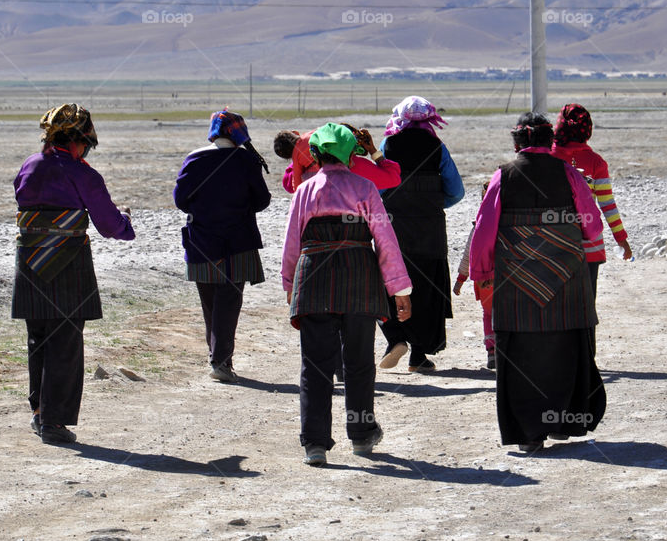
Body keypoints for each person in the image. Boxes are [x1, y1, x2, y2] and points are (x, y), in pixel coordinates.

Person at [470, 112, 606, 453]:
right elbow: (592, 226)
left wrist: (482, 274)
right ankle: (563, 424)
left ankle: (530, 434)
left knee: (521, 356)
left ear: (516, 143)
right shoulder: (569, 174)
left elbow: (485, 231)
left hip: (515, 283)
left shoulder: (503, 176)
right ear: (549, 141)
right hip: (566, 279)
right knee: (564, 349)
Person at [281, 123, 412, 466]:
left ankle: (315, 444)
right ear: (351, 154)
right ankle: (362, 436)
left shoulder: (304, 192)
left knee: (315, 365)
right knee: (358, 362)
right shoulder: (366, 188)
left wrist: (290, 287)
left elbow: (292, 246)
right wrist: (399, 289)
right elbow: (385, 241)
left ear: (317, 154)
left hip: (314, 280)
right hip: (359, 277)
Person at [12, 103, 135, 445]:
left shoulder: (29, 165)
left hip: (31, 261)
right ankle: (53, 421)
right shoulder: (82, 173)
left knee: (38, 337)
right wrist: (125, 221)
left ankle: (39, 412)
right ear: (80, 139)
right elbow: (110, 226)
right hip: (68, 262)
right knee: (65, 341)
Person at [174, 110, 271, 383]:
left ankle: (218, 357)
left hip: (201, 242)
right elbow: (262, 201)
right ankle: (220, 360)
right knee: (228, 303)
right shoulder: (247, 160)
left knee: (210, 304)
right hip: (238, 244)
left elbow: (181, 200)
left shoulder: (195, 159)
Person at [377, 96, 464, 373]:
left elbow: (378, 188)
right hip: (430, 231)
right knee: (426, 287)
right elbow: (456, 191)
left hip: (395, 230)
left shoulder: (388, 145)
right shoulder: (437, 147)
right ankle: (418, 356)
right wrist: (434, 202)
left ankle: (396, 339)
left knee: (391, 282)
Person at [550, 103, 632, 293]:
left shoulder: (547, 157)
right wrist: (621, 239)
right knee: (586, 306)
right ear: (588, 129)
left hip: (552, 244)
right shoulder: (596, 162)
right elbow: (608, 206)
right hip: (589, 245)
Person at [274, 124, 402, 193]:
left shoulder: (305, 177)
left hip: (315, 238)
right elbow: (393, 178)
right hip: (354, 236)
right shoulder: (357, 166)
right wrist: (372, 150)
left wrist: (296, 154)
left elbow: (290, 186)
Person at [453, 183, 495, 369]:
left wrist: (460, 280)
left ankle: (492, 351)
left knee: (488, 314)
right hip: (507, 278)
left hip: (484, 281)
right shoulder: (509, 224)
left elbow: (467, 255)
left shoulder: (478, 226)